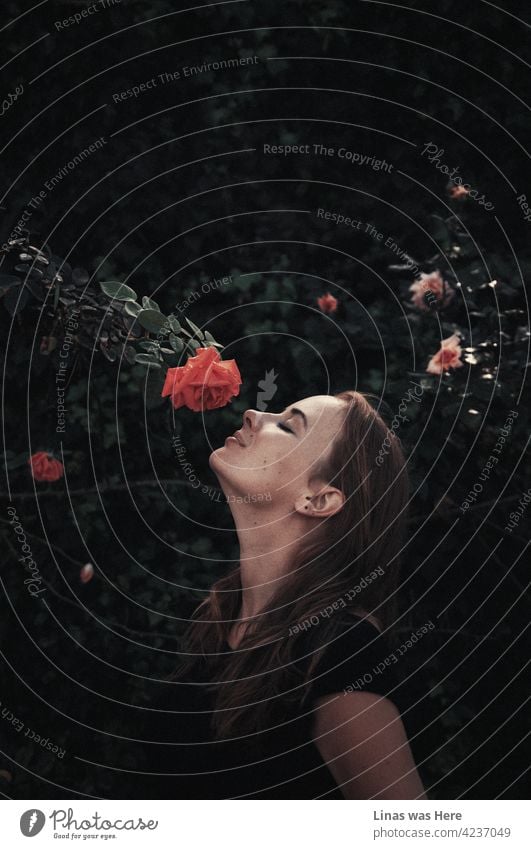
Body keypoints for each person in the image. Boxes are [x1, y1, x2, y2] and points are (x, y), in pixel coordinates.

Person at [142, 391, 428, 799]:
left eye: (288, 425)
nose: (254, 413)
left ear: (319, 499)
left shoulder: (340, 655)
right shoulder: (219, 622)